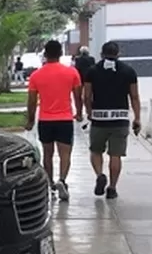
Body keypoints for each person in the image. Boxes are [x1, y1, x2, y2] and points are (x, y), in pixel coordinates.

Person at [25, 40, 84, 201]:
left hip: (46, 120)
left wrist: (30, 120)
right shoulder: (71, 73)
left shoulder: (36, 75)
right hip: (65, 119)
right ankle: (62, 181)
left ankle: (50, 183)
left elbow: (31, 101)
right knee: (65, 154)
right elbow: (78, 96)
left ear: (45, 54)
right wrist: (79, 113)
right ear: (60, 54)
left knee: (47, 154)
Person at [82, 41, 141, 199]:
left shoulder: (92, 71)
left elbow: (86, 96)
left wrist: (89, 112)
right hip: (120, 118)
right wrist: (137, 118)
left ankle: (100, 174)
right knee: (116, 155)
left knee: (96, 151)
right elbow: (134, 96)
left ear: (101, 54)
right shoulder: (129, 71)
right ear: (118, 54)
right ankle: (112, 188)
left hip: (99, 118)